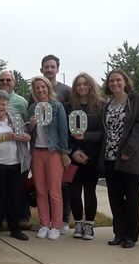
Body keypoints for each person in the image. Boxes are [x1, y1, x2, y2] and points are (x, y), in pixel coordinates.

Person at [100, 69, 139, 249]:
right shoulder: (107, 104)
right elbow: (106, 131)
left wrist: (128, 150)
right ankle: (119, 233)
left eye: (118, 80)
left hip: (130, 157)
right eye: (111, 81)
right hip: (110, 157)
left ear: (125, 81)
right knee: (115, 197)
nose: (115, 83)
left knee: (133, 197)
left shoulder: (136, 100)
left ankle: (131, 236)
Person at [0, 90, 31, 241]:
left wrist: (24, 137)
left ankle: (15, 229)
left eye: (3, 104)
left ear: (8, 105)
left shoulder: (15, 117)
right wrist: (4, 137)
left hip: (17, 162)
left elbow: (28, 135)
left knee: (14, 197)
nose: (1, 107)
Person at [27, 76, 70, 240]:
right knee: (40, 190)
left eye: (43, 87)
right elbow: (28, 132)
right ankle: (44, 224)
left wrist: (64, 152)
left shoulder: (57, 106)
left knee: (54, 190)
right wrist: (30, 125)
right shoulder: (32, 108)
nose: (40, 90)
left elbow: (63, 130)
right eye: (37, 88)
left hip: (53, 152)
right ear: (34, 90)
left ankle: (56, 225)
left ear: (48, 88)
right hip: (36, 152)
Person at [64, 73, 104, 240]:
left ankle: (89, 225)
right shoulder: (68, 107)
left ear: (90, 86)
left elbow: (103, 133)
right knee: (74, 191)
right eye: (78, 84)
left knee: (89, 191)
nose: (81, 87)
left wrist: (86, 138)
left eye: (84, 84)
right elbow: (64, 132)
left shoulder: (101, 106)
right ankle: (78, 223)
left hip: (92, 156)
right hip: (74, 155)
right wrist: (73, 151)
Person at [41, 55, 73, 234]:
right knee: (44, 187)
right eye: (46, 67)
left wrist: (65, 149)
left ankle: (64, 220)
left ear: (57, 69)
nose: (49, 70)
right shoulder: (36, 91)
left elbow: (69, 117)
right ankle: (46, 222)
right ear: (42, 69)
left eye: (52, 67)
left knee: (62, 185)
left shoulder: (66, 91)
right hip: (42, 146)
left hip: (61, 144)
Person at [0, 70, 32, 228]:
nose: (5, 82)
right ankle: (4, 218)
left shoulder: (22, 102)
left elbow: (27, 126)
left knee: (19, 186)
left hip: (19, 150)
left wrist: (27, 136)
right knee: (3, 187)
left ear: (14, 82)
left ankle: (23, 217)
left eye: (8, 80)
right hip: (0, 151)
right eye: (2, 80)